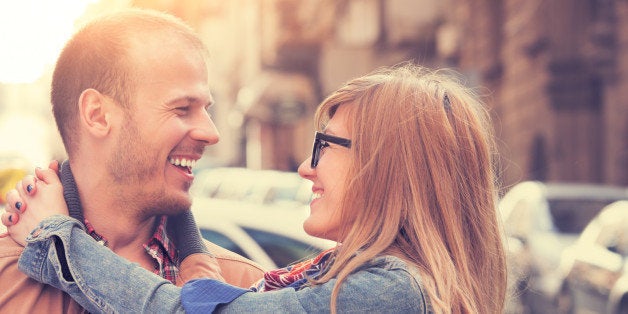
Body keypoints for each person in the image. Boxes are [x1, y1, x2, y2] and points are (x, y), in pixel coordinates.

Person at [3, 63, 508, 313]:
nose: (305, 171)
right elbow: (209, 296)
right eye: (182, 109)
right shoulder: (347, 272)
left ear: (388, 166)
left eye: (324, 147)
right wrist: (175, 209)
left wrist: (55, 235)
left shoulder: (393, 291)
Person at [0, 8, 264, 313]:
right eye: (182, 108)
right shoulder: (7, 279)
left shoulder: (248, 287)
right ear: (97, 115)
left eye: (206, 108)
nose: (211, 132)